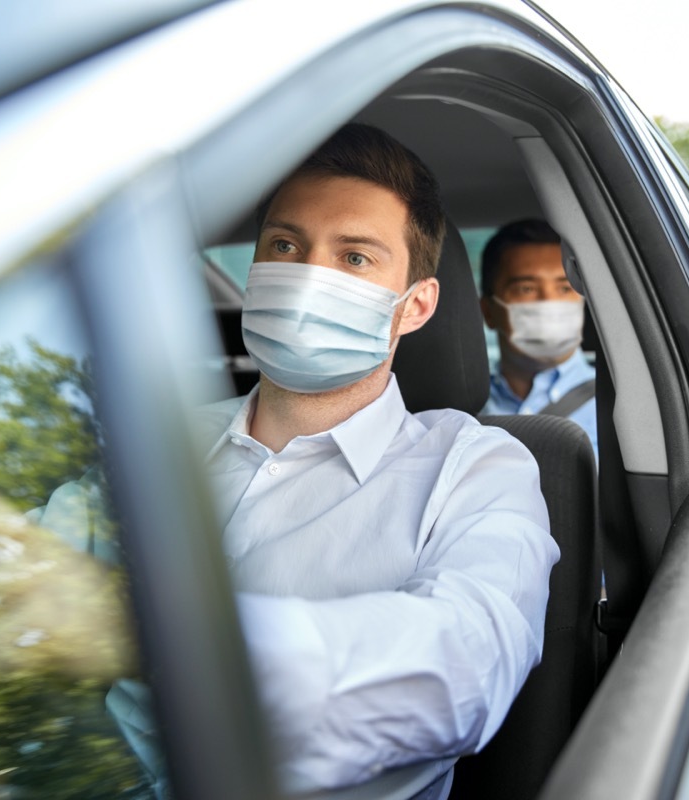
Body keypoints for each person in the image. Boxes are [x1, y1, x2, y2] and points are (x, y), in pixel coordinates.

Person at [196, 124, 559, 797]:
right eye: (285, 245)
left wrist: (155, 643)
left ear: (414, 306)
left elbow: (466, 666)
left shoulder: (475, 467)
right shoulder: (165, 441)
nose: (307, 277)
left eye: (355, 258)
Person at [479, 219, 598, 454]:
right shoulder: (461, 409)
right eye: (527, 289)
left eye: (564, 289)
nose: (548, 302)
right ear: (488, 312)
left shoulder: (618, 406)